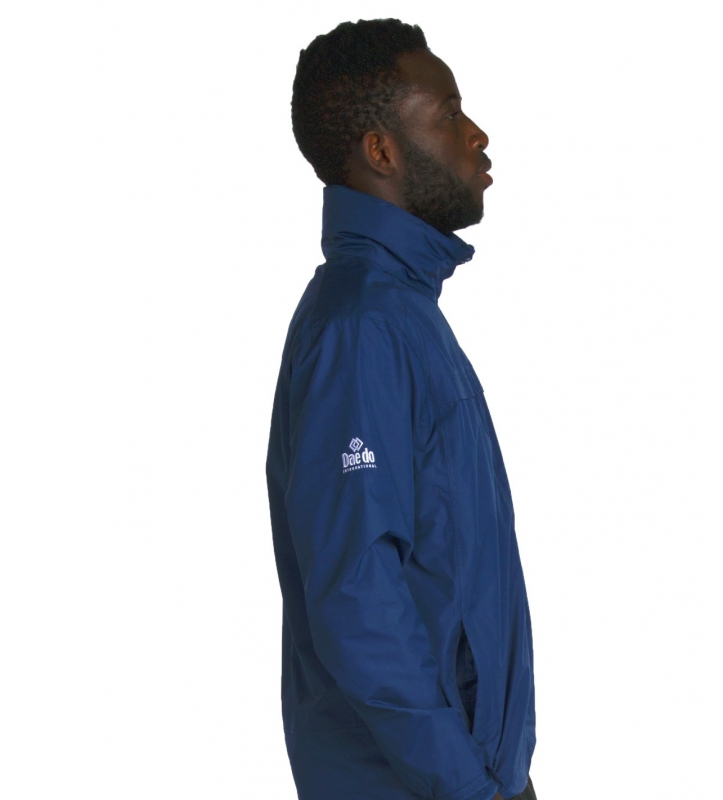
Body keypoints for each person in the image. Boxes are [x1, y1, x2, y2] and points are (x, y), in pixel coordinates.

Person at [266, 18, 537, 800]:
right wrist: (468, 786)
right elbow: (358, 598)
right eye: (448, 113)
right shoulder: (361, 328)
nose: (476, 134)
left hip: (464, 772)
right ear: (381, 151)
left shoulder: (400, 315)